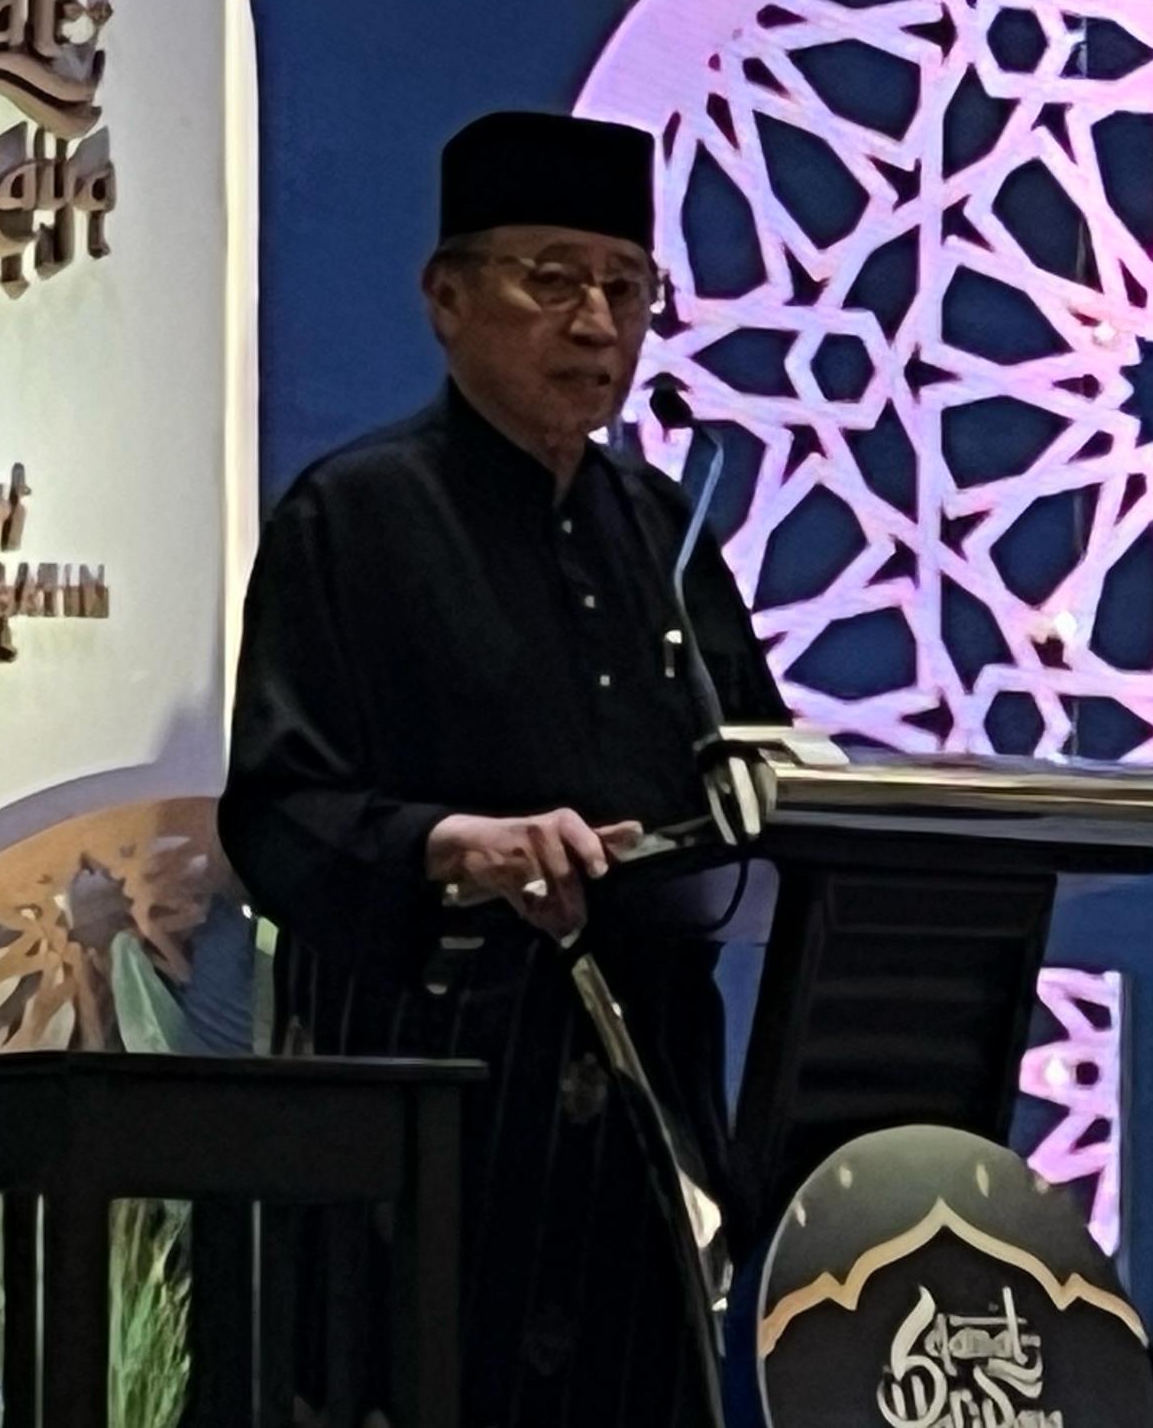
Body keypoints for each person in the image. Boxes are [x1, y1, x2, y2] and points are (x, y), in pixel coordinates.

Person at [221, 110, 786, 1425]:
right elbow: (278, 816)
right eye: (553, 281)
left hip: (641, 1121)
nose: (597, 324)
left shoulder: (662, 530)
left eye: (627, 289)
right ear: (446, 299)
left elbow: (753, 779)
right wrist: (452, 846)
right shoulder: (354, 515)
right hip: (433, 1117)